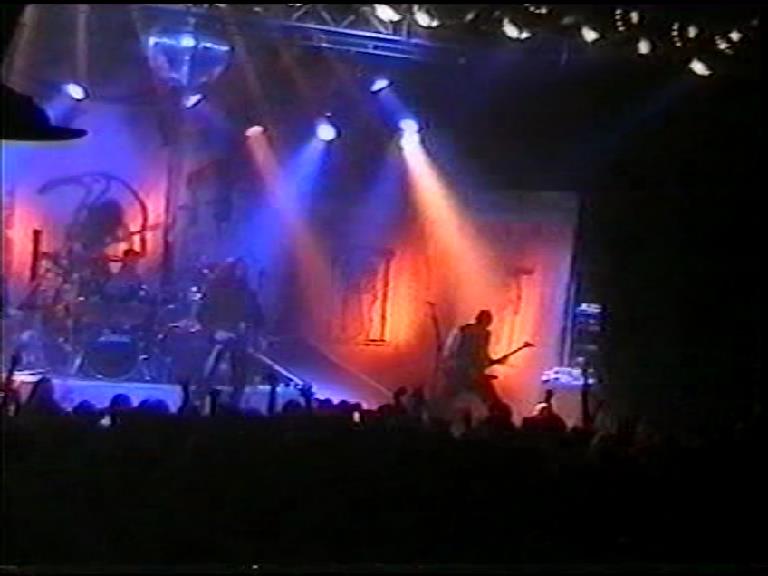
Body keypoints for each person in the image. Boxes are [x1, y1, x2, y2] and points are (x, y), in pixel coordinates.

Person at [196, 258, 264, 410]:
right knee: (210, 372)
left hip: (240, 338)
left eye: (243, 270)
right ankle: (201, 401)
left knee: (239, 373)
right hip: (217, 337)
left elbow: (257, 315)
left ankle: (235, 403)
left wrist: (256, 333)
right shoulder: (215, 291)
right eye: (237, 269)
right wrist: (215, 331)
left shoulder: (247, 292)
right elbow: (202, 315)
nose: (240, 273)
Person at [442, 310, 511, 412]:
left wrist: (493, 361)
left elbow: (453, 348)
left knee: (450, 395)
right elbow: (481, 353)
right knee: (490, 399)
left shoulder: (464, 329)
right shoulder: (483, 333)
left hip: (461, 369)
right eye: (488, 320)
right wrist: (493, 361)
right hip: (471, 371)